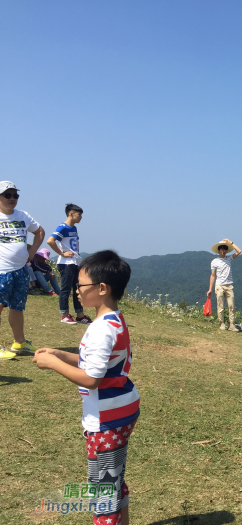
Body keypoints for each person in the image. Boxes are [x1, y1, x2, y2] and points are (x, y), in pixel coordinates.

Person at [33, 250, 139, 525]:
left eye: (80, 286)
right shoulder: (114, 319)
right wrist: (59, 354)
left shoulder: (101, 329)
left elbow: (91, 378)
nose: (75, 291)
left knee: (103, 490)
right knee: (113, 479)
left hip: (106, 419)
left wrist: (51, 364)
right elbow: (96, 364)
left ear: (102, 288)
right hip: (122, 408)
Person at [0, 181, 45, 359]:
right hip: (1, 271)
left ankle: (19, 343)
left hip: (20, 271)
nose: (12, 199)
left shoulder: (23, 215)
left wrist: (32, 252)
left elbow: (39, 231)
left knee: (17, 307)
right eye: (7, 195)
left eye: (15, 195)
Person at [47, 204, 91, 324]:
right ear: (71, 213)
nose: (81, 217)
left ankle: (80, 315)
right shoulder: (63, 227)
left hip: (75, 262)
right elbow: (50, 241)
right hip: (66, 263)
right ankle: (65, 314)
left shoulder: (74, 228)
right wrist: (62, 253)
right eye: (79, 214)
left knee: (78, 288)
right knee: (65, 289)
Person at [207, 238, 242, 331]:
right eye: (222, 248)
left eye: (225, 248)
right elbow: (212, 275)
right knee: (220, 305)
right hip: (219, 286)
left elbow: (239, 251)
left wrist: (230, 242)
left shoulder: (229, 258)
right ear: (219, 250)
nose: (224, 250)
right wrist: (210, 289)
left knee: (231, 306)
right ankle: (222, 323)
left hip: (229, 285)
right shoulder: (214, 261)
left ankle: (231, 324)